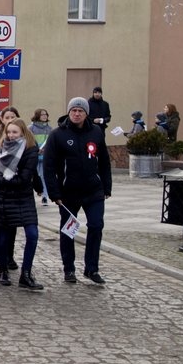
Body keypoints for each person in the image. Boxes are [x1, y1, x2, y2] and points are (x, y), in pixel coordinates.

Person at [44, 97, 112, 284]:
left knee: (96, 226)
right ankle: (69, 269)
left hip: (93, 191)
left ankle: (92, 268)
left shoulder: (96, 132)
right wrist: (54, 193)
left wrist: (107, 186)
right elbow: (48, 167)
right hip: (68, 193)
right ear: (69, 112)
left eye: (80, 111)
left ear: (86, 113)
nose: (76, 113)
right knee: (69, 231)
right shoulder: (58, 134)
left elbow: (104, 161)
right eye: (73, 110)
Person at [0, 119, 44, 289]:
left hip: (23, 197)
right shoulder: (2, 146)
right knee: (3, 237)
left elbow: (24, 178)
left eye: (14, 132)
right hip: (2, 197)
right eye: (9, 132)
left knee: (32, 234)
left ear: (23, 132)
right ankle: (3, 271)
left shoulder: (30, 150)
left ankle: (26, 274)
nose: (10, 135)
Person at [30, 108, 52, 206]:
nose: (45, 116)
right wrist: (35, 149)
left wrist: (46, 149)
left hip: (45, 156)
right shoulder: (31, 128)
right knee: (32, 177)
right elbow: (28, 141)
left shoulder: (50, 129)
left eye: (46, 114)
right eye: (42, 114)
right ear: (37, 115)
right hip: (34, 156)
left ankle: (44, 196)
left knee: (44, 176)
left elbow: (51, 142)